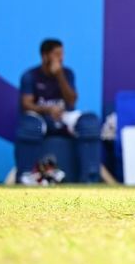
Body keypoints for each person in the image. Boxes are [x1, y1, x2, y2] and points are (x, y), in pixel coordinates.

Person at [16, 39, 102, 183]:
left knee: (89, 123)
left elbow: (72, 101)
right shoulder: (30, 75)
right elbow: (26, 104)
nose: (61, 58)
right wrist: (48, 109)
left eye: (62, 54)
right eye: (56, 54)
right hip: (41, 117)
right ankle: (26, 177)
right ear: (45, 56)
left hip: (64, 116)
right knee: (30, 126)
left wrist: (60, 75)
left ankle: (90, 178)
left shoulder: (67, 73)